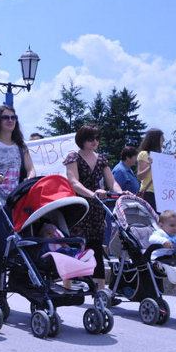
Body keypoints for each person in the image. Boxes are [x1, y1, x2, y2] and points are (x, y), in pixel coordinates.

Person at [0, 105, 36, 293]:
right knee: (1, 243)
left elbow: (30, 169)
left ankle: (17, 282)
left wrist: (29, 179)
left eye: (13, 117)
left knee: (18, 245)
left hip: (13, 203)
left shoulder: (21, 146)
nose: (10, 120)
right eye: (6, 118)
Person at [63, 124, 124, 291]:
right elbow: (73, 182)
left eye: (97, 138)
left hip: (96, 208)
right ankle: (67, 285)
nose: (95, 142)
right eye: (91, 139)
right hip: (78, 207)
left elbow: (111, 182)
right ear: (82, 139)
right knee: (74, 246)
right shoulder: (73, 157)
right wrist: (92, 194)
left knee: (96, 247)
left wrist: (120, 194)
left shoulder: (102, 159)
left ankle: (100, 290)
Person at [137, 128, 165, 211]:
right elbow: (140, 176)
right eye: (162, 138)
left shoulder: (160, 156)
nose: (164, 140)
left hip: (160, 193)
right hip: (149, 193)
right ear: (156, 139)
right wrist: (150, 166)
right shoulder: (144, 154)